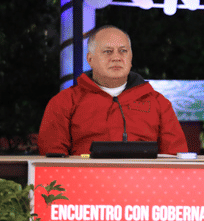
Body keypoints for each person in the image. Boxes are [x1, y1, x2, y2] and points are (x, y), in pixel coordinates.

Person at [38, 25, 188, 155]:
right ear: (90, 59)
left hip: (144, 179)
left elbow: (176, 157)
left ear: (131, 58)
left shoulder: (158, 103)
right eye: (108, 51)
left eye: (123, 51)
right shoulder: (65, 102)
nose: (116, 57)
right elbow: (52, 159)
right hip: (84, 178)